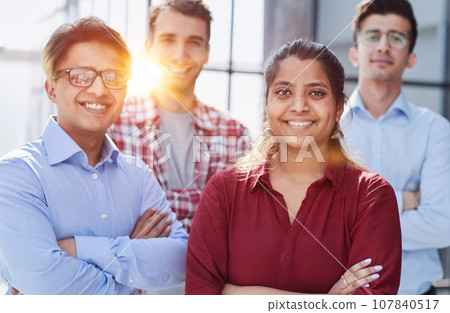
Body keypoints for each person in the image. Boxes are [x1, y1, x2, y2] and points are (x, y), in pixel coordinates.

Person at [185, 38, 402, 295]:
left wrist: (235, 293)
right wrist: (325, 302)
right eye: (284, 92)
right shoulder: (224, 192)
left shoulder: (371, 195)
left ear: (339, 107)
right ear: (267, 106)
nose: (299, 106)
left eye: (316, 93)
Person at [0, 17, 188, 295]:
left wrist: (80, 248)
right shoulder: (17, 174)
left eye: (113, 77)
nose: (99, 90)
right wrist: (131, 252)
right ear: (51, 88)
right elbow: (43, 282)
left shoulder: (139, 176)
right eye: (80, 76)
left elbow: (181, 259)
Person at [108, 0, 250, 233]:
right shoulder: (113, 125)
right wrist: (205, 202)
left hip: (209, 270)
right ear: (148, 47)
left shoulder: (234, 134)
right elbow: (110, 213)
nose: (180, 54)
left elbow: (236, 219)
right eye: (168, 40)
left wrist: (152, 206)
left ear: (207, 53)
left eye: (194, 43)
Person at [343, 0, 450, 294]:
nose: (383, 46)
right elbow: (314, 225)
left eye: (397, 37)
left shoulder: (435, 130)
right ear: (355, 53)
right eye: (372, 36)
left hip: (416, 297)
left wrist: (352, 221)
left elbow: (443, 223)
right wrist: (407, 200)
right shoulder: (330, 130)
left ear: (411, 58)